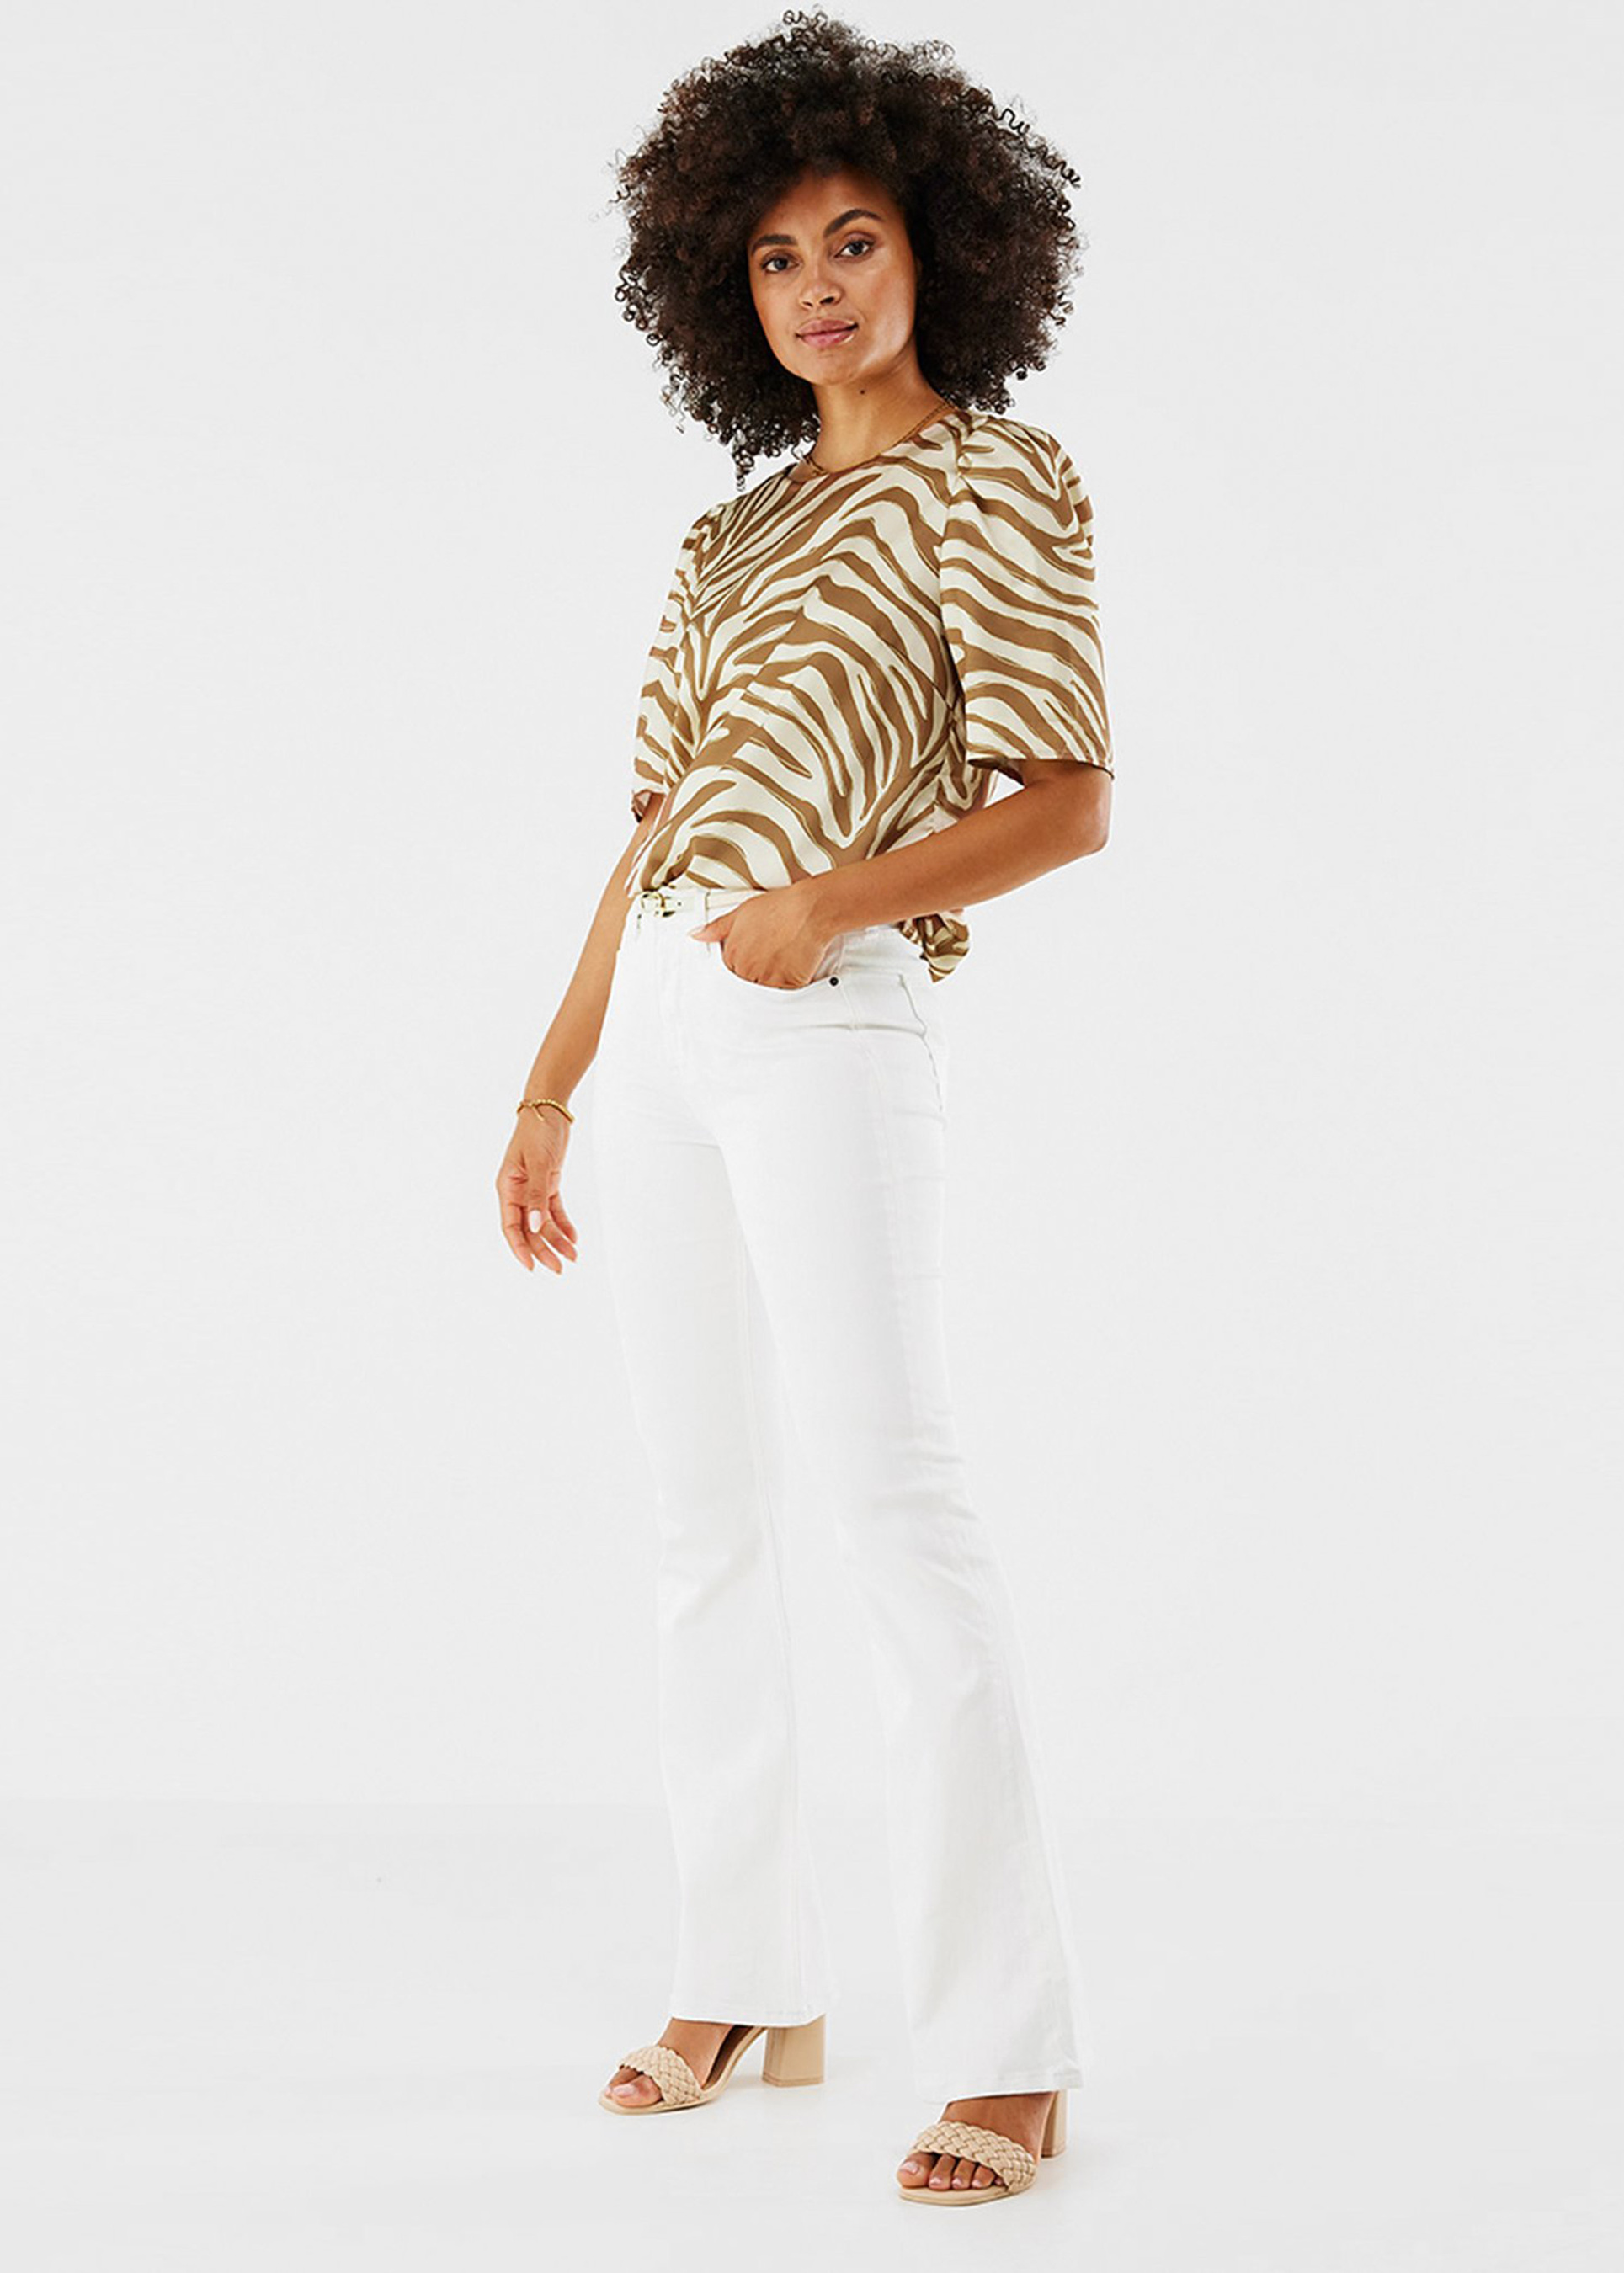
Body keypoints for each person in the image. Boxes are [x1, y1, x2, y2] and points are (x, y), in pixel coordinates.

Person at [495, 15, 1115, 2206]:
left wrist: (830, 902)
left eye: (853, 239)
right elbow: (649, 829)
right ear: (725, 291)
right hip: (668, 1029)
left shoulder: (997, 480)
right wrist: (554, 1079)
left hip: (829, 1012)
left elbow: (1068, 800)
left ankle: (1008, 2046)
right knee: (702, 1522)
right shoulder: (730, 532)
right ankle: (744, 1976)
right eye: (773, 257)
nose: (818, 285)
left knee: (891, 1508)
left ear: (937, 245)